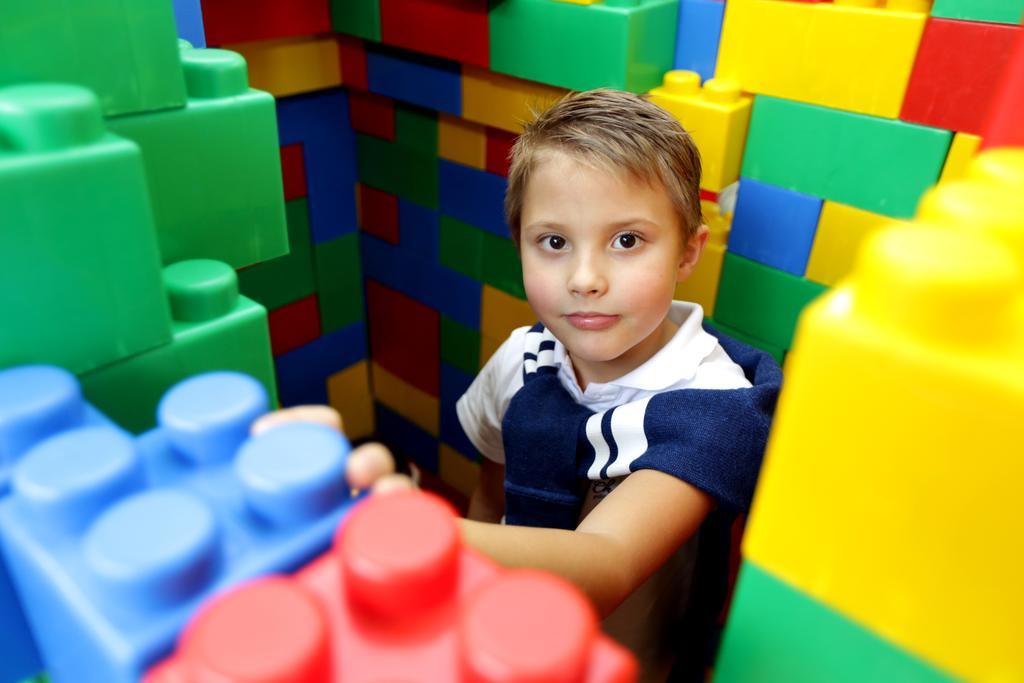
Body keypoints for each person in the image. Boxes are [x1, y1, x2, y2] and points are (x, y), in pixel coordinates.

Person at [265, 89, 781, 682]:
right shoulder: (522, 358)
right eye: (555, 242)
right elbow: (492, 499)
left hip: (629, 659)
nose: (586, 279)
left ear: (688, 252)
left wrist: (400, 527)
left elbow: (607, 563)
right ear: (521, 247)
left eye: (627, 241)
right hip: (505, 646)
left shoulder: (714, 406)